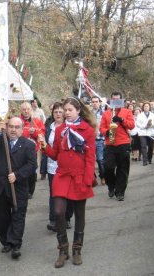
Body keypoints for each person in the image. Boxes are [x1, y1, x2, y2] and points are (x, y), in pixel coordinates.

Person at [37, 97, 96, 268]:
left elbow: (90, 157)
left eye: (70, 110)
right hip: (62, 176)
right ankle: (63, 250)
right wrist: (43, 146)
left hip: (79, 177)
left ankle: (77, 249)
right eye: (65, 110)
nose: (66, 113)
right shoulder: (60, 129)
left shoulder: (87, 130)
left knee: (79, 214)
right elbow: (55, 154)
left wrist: (87, 179)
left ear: (78, 111)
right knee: (58, 211)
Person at [0, 116, 37, 259]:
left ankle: (15, 244)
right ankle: (6, 241)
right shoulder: (0, 140)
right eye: (10, 126)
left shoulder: (28, 145)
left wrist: (17, 175)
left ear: (22, 129)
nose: (13, 130)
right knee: (1, 217)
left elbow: (32, 165)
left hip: (18, 187)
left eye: (16, 127)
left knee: (18, 215)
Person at [43, 102, 73, 232]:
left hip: (66, 165)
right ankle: (53, 219)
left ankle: (66, 217)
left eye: (61, 112)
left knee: (67, 193)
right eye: (56, 112)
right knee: (53, 193)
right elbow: (45, 145)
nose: (58, 114)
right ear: (52, 114)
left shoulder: (69, 127)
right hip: (52, 164)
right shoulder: (49, 127)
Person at [99, 92, 135, 201]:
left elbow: (132, 125)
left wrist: (121, 120)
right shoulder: (106, 113)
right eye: (114, 100)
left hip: (123, 143)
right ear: (111, 100)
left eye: (118, 99)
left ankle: (120, 192)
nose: (116, 102)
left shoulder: (127, 111)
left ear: (122, 100)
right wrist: (108, 131)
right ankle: (111, 185)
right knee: (108, 168)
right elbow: (101, 128)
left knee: (123, 169)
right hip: (110, 143)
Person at [19, 102, 45, 197]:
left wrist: (34, 132)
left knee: (32, 170)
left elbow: (41, 133)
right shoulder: (17, 120)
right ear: (20, 110)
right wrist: (26, 132)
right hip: (19, 150)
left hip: (33, 150)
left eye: (28, 109)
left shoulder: (37, 121)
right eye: (24, 109)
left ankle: (30, 190)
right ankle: (22, 189)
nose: (26, 111)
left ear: (31, 109)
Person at [136, 102, 154, 166]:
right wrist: (145, 126)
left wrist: (151, 125)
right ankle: (145, 161)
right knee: (143, 146)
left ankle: (149, 159)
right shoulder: (139, 115)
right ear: (143, 107)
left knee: (150, 147)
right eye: (145, 106)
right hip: (143, 133)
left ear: (149, 107)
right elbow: (138, 124)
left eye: (147, 106)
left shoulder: (153, 115)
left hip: (150, 133)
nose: (146, 107)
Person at [91, 96, 105, 185]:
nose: (95, 103)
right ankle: (93, 178)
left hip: (100, 139)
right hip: (90, 140)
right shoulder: (89, 113)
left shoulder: (104, 113)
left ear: (99, 103)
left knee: (100, 159)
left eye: (96, 101)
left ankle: (103, 176)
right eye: (93, 102)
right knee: (91, 160)